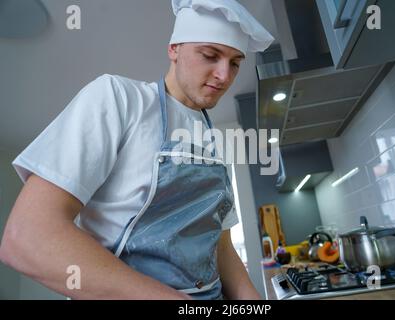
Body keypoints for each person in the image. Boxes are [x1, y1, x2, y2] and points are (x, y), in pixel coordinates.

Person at [0, 0, 274, 300]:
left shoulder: (212, 143)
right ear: (174, 49)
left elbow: (220, 246)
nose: (224, 75)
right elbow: (28, 237)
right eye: (210, 55)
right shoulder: (118, 99)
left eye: (235, 62)